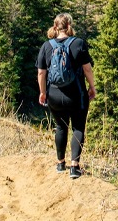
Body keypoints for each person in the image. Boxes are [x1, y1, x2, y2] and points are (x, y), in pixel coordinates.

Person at [36, 13, 96, 179]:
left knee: (61, 127)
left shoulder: (46, 46)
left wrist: (43, 92)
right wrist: (92, 87)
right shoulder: (78, 44)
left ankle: (60, 163)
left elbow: (41, 73)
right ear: (69, 26)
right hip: (76, 93)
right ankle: (74, 167)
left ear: (56, 27)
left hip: (54, 94)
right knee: (78, 127)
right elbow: (87, 69)